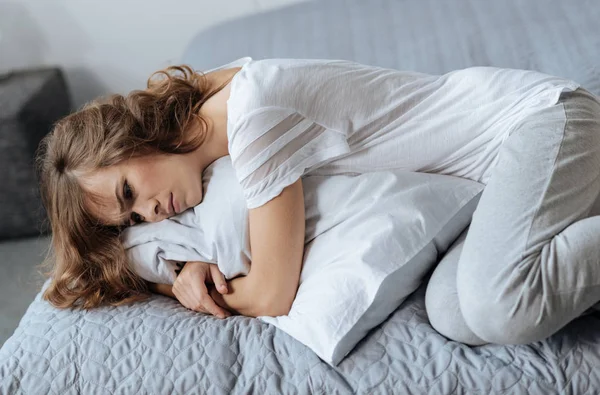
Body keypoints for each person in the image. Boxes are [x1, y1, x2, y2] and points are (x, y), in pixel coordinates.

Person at [35, 57, 600, 345]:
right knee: (453, 313)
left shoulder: (252, 121)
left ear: (130, 138)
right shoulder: (205, 103)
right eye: (131, 219)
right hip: (489, 183)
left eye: (130, 193)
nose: (151, 215)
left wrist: (170, 284)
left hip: (533, 122)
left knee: (499, 303)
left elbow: (272, 293)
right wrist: (178, 262)